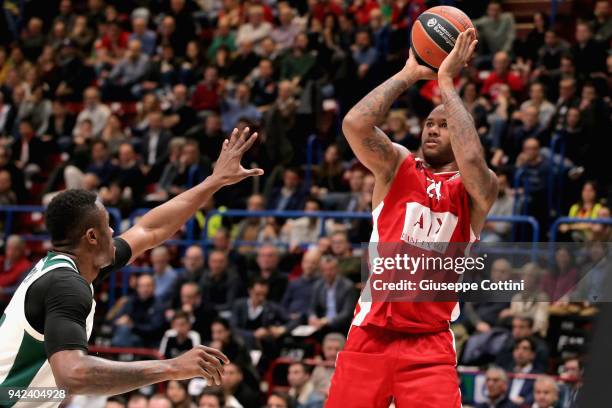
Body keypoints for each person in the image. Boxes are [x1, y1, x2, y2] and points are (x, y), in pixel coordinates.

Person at [0, 127, 263, 401]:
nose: (114, 232)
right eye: (107, 226)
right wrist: (171, 367)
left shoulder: (67, 267)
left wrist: (214, 181)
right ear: (91, 237)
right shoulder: (66, 286)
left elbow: (150, 231)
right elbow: (73, 374)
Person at [327, 29, 498, 407]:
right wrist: (409, 74)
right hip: (370, 334)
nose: (434, 129)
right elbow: (355, 125)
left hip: (429, 342)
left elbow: (471, 160)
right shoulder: (397, 166)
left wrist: (447, 83)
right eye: (430, 124)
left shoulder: (477, 189)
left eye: (445, 125)